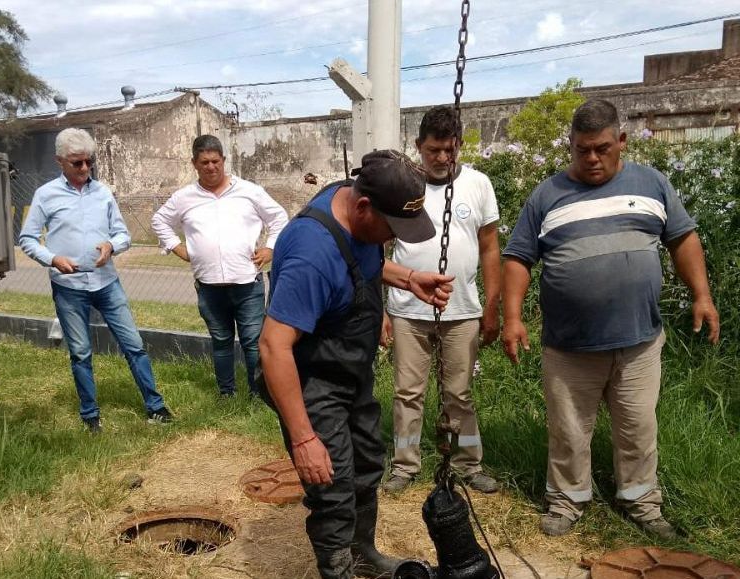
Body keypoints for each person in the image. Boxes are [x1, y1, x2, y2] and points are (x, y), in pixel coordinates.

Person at [501, 99, 720, 539]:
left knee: (638, 426)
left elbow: (683, 238)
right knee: (568, 430)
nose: (593, 158)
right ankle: (567, 501)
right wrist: (512, 318)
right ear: (570, 146)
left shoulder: (652, 183)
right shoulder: (547, 195)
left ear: (621, 141)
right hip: (569, 346)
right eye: (582, 149)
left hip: (638, 341)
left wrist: (703, 296)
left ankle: (641, 501)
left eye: (602, 148)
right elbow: (518, 258)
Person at [259, 150, 454, 579]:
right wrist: (304, 438)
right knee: (332, 485)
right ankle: (338, 569)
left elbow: (362, 261)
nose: (393, 238)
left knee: (367, 462)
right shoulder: (311, 254)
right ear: (364, 206)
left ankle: (362, 551)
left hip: (352, 372)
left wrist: (408, 278)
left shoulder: (350, 202)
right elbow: (273, 347)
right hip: (313, 380)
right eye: (392, 228)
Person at [19, 128, 172, 433]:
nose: (85, 169)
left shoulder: (102, 192)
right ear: (60, 161)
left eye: (89, 162)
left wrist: (111, 246)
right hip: (69, 288)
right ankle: (90, 416)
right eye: (77, 163)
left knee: (134, 345)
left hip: (106, 282)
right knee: (80, 352)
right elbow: (27, 238)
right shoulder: (46, 195)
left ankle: (155, 407)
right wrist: (52, 259)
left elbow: (122, 234)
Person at [382, 106, 501, 495]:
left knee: (459, 394)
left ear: (459, 146)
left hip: (462, 309)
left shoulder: (479, 184)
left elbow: (489, 249)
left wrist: (492, 307)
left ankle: (468, 464)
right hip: (406, 311)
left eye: (449, 150)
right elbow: (379, 249)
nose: (441, 158)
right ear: (419, 146)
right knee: (407, 393)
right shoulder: (402, 186)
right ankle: (404, 464)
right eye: (433, 150)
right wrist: (383, 309)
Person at [151, 135, 288, 397]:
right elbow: (160, 221)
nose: (211, 167)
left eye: (215, 161)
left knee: (252, 343)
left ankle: (258, 394)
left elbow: (279, 216)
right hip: (209, 285)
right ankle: (227, 393)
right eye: (204, 162)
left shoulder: (249, 191)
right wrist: (177, 247)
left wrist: (270, 248)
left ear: (223, 161)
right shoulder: (184, 197)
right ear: (194, 164)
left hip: (247, 283)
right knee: (222, 342)